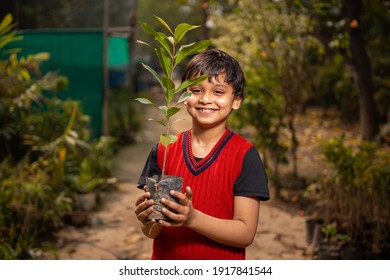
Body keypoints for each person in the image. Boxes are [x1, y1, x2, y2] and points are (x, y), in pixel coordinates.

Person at [134, 48, 270, 260]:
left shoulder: (245, 156)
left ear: (236, 100)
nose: (206, 99)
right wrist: (148, 221)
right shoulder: (163, 150)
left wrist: (193, 218)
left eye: (218, 92)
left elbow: (245, 233)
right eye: (196, 90)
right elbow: (153, 232)